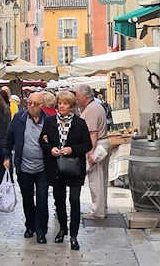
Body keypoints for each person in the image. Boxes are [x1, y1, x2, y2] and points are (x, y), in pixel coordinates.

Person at [4, 91, 56, 243]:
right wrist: (6, 156)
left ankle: (41, 231)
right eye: (29, 103)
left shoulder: (49, 121)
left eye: (35, 104)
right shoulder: (18, 119)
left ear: (42, 106)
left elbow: (55, 142)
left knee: (42, 199)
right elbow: (9, 140)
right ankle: (30, 226)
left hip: (43, 168)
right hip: (24, 167)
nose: (31, 106)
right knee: (27, 199)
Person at [49, 91, 92, 251]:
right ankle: (62, 229)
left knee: (74, 201)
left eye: (65, 103)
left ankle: (74, 236)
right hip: (57, 168)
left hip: (75, 168)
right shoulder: (50, 121)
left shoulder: (80, 123)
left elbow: (87, 145)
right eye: (59, 103)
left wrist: (71, 149)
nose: (61, 106)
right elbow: (43, 140)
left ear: (72, 106)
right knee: (59, 200)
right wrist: (51, 148)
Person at [75, 84, 108, 220]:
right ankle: (101, 208)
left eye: (77, 96)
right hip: (100, 144)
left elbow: (92, 134)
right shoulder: (94, 106)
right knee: (100, 179)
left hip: (97, 145)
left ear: (84, 96)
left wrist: (90, 153)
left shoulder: (92, 109)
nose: (76, 99)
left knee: (96, 180)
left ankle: (98, 211)